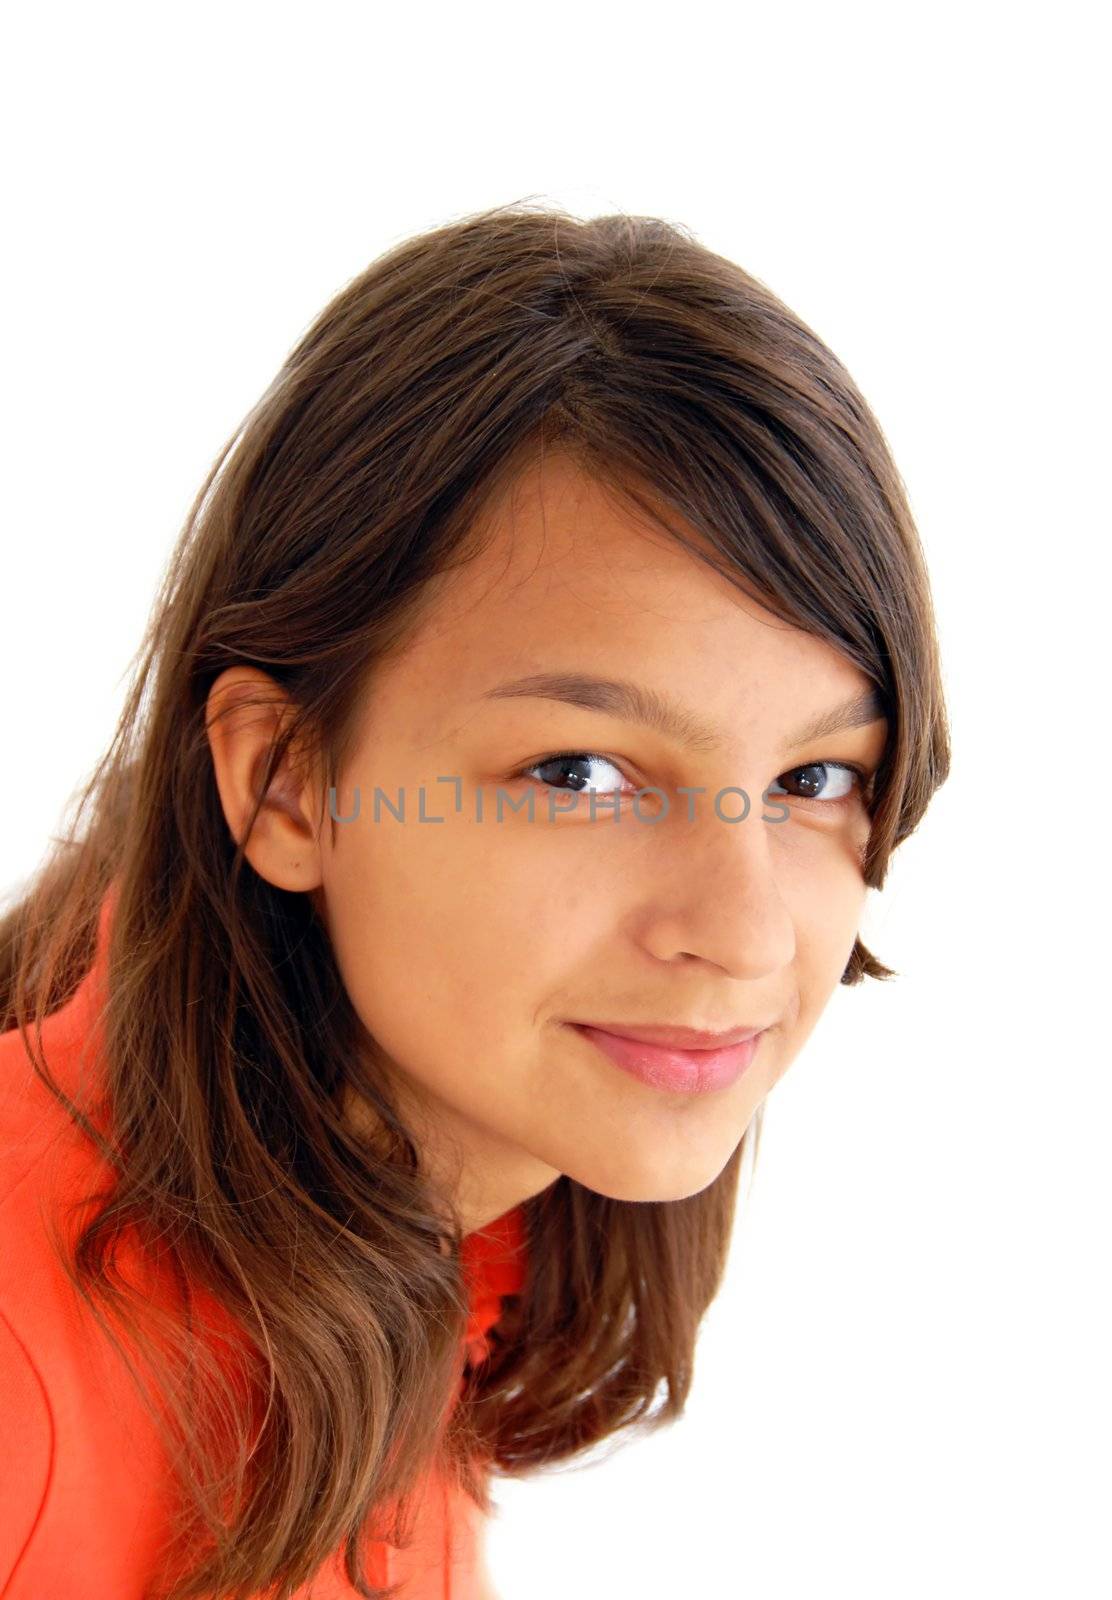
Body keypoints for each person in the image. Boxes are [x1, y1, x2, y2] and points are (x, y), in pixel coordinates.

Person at [0, 201, 950, 1600]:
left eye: (816, 776)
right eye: (581, 771)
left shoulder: (435, 1246)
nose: (745, 932)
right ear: (286, 782)